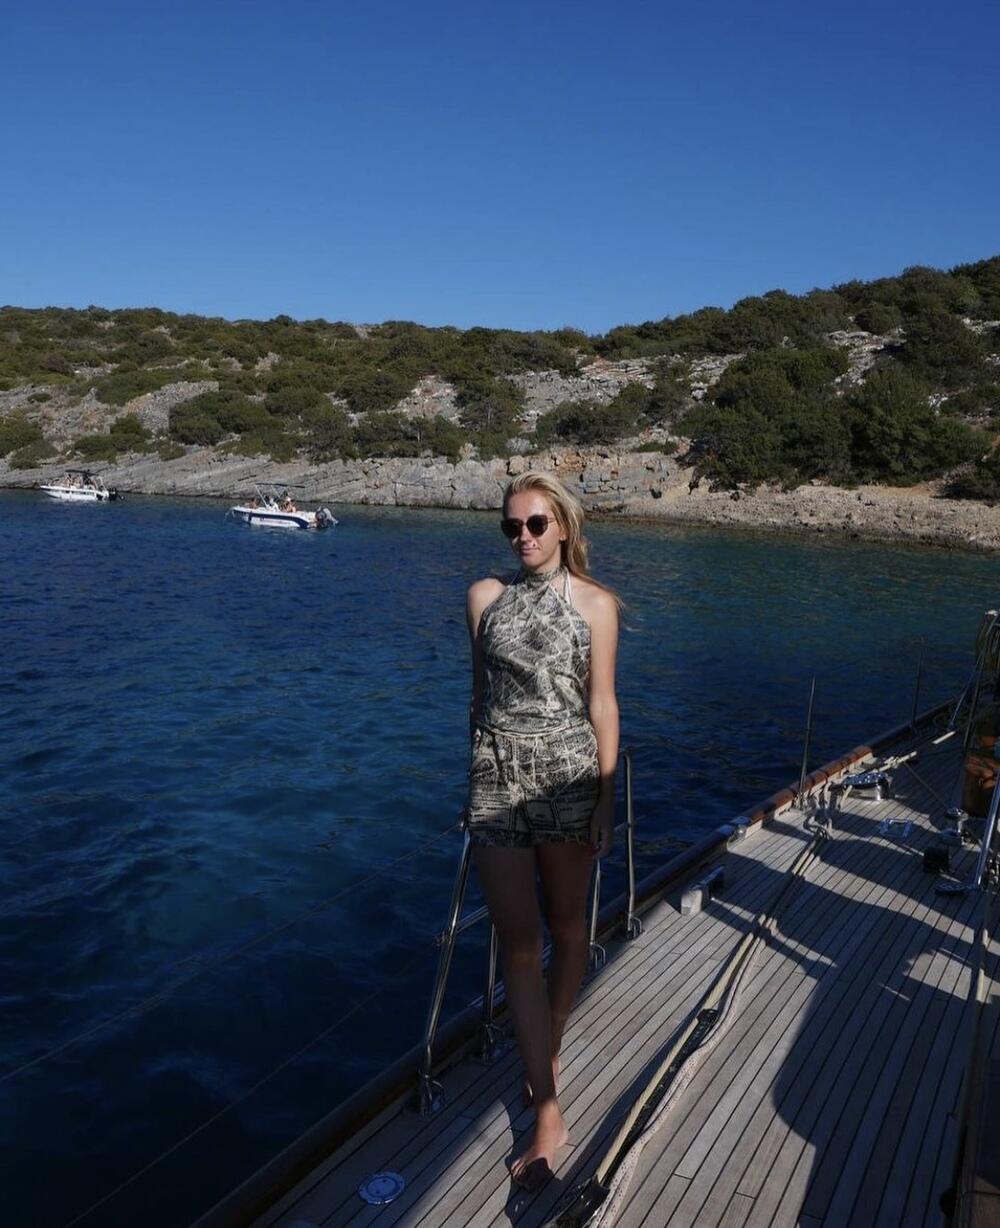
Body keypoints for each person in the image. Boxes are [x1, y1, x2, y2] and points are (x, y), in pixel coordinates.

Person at [465, 470, 620, 1190]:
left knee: (566, 926)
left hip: (567, 780)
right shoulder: (483, 598)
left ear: (562, 527)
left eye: (534, 524)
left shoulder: (595, 604)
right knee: (519, 944)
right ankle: (548, 1111)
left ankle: (550, 1035)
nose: (522, 537)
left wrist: (606, 799)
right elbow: (479, 697)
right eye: (511, 526)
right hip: (496, 781)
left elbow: (603, 704)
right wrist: (475, 781)